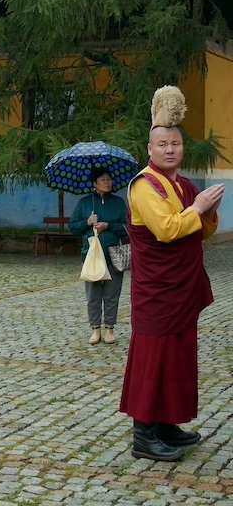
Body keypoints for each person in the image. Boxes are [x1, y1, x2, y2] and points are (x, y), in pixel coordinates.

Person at [120, 85, 224, 462]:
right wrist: (197, 208)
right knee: (153, 357)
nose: (169, 149)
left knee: (178, 356)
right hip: (157, 290)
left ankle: (166, 424)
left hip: (181, 288)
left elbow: (203, 232)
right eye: (162, 143)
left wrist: (208, 211)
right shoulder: (143, 186)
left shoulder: (183, 185)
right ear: (149, 149)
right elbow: (166, 229)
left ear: (182, 148)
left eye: (175, 143)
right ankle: (143, 434)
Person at [68, 167, 128, 346]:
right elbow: (73, 227)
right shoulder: (85, 203)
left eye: (109, 179)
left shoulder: (118, 203)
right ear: (94, 184)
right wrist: (87, 222)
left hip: (113, 254)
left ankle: (110, 328)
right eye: (102, 179)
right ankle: (95, 328)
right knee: (93, 295)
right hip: (92, 255)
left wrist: (108, 225)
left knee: (112, 294)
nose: (107, 182)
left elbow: (127, 227)